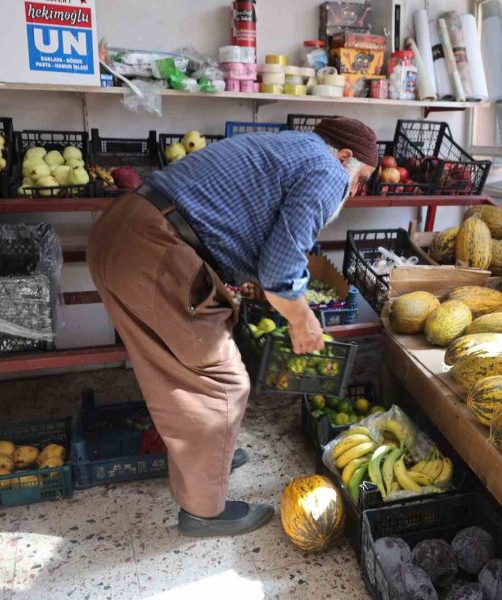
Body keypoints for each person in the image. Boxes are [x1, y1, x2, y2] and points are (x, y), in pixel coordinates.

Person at [86, 118, 378, 537]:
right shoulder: (328, 169)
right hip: (156, 247)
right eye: (361, 180)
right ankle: (204, 512)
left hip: (123, 233)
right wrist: (303, 320)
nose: (355, 191)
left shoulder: (289, 147)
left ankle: (207, 462)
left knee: (171, 369)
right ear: (345, 156)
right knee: (221, 382)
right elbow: (281, 269)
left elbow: (244, 225)